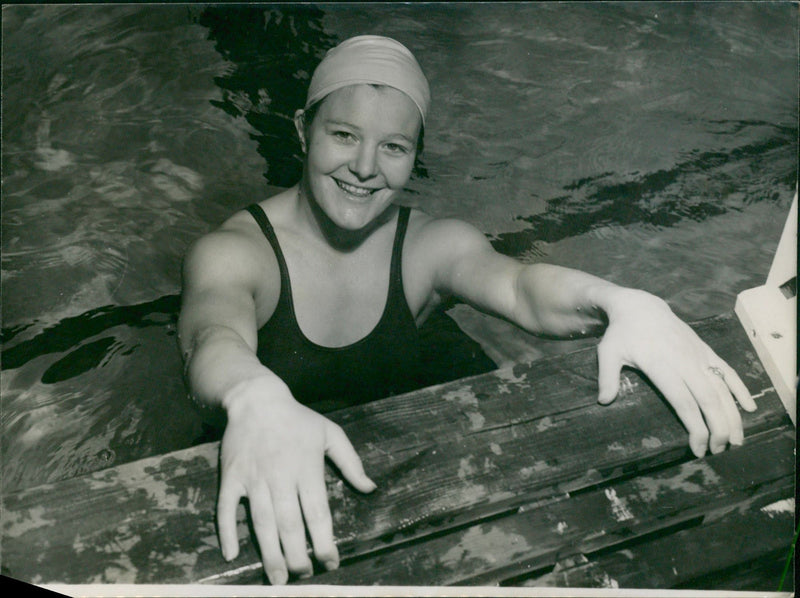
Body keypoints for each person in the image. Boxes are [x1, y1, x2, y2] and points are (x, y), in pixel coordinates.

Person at [178, 35, 757, 585]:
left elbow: (521, 287)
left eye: (395, 148)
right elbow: (212, 336)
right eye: (344, 135)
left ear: (415, 157)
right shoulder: (235, 251)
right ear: (304, 131)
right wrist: (252, 394)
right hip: (261, 464)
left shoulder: (430, 246)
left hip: (386, 472)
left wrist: (617, 300)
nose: (364, 168)